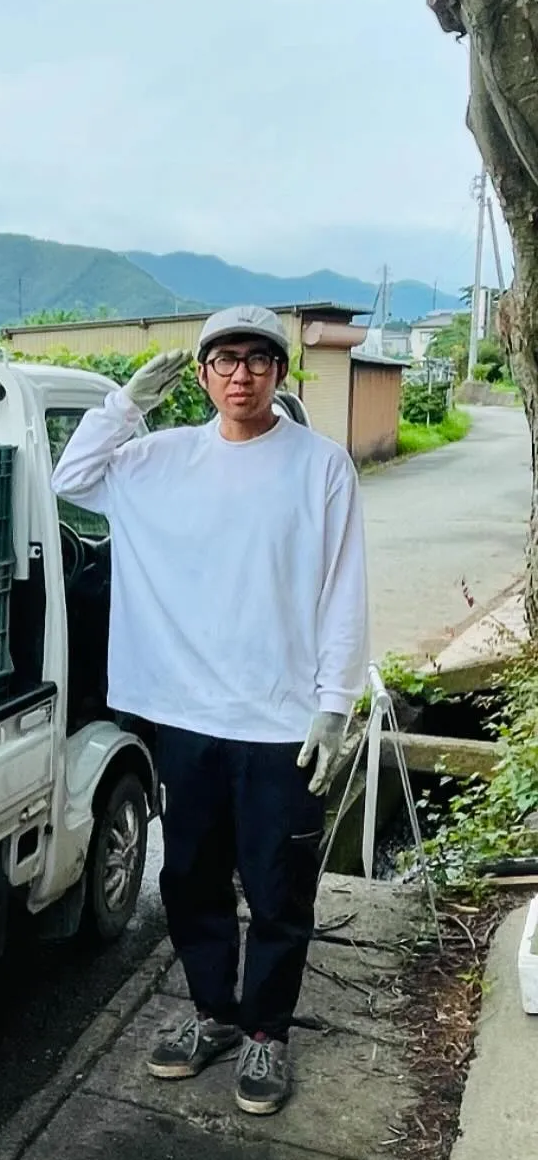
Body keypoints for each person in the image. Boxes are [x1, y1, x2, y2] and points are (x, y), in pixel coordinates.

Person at [51, 305, 369, 1115]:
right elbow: (70, 480)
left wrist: (337, 705)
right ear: (201, 376)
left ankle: (266, 1034)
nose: (240, 375)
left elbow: (343, 591)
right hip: (185, 716)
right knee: (189, 878)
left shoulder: (321, 466)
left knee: (278, 888)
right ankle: (212, 1016)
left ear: (280, 375)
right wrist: (125, 405)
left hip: (281, 723)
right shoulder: (160, 459)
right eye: (224, 361)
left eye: (258, 362)